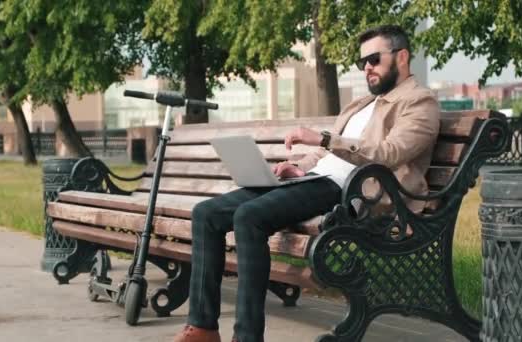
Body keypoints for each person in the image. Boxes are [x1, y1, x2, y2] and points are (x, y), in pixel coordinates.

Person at [173, 24, 440, 342]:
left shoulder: (419, 102)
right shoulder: (360, 105)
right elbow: (323, 155)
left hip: (351, 191)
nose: (366, 67)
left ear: (402, 57)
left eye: (373, 59)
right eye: (361, 62)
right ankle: (203, 328)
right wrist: (297, 167)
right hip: (315, 181)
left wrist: (326, 138)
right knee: (206, 213)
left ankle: (246, 337)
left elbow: (390, 153)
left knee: (249, 217)